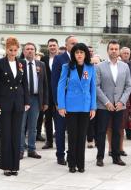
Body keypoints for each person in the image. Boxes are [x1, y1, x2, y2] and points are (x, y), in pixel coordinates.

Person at [0, 37, 30, 176]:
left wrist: (26, 101)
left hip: (18, 103)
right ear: (6, 49)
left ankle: (15, 166)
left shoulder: (21, 63)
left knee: (16, 135)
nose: (13, 52)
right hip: (4, 103)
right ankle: (6, 166)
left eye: (15, 50)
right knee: (6, 135)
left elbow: (25, 84)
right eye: (10, 50)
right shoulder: (0, 63)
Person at [57, 43, 96, 173]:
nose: (79, 55)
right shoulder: (67, 67)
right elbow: (61, 86)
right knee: (73, 136)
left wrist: (93, 107)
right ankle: (72, 164)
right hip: (71, 106)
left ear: (86, 54)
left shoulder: (90, 68)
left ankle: (81, 164)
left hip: (85, 106)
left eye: (82, 52)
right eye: (77, 52)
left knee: (82, 136)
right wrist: (61, 105)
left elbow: (93, 88)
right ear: (73, 54)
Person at [95, 40, 131, 167]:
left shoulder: (124, 67)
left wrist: (122, 101)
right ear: (107, 50)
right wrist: (106, 102)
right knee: (101, 132)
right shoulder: (99, 66)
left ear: (119, 51)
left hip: (119, 106)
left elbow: (128, 86)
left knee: (117, 131)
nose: (114, 51)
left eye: (116, 49)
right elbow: (96, 87)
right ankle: (99, 157)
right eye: (112, 49)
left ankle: (116, 157)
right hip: (104, 106)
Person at [51, 35, 78, 165]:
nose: (74, 46)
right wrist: (57, 102)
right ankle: (60, 155)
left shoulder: (80, 58)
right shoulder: (59, 58)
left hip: (76, 102)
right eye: (72, 43)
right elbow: (54, 82)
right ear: (66, 45)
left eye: (76, 43)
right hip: (62, 102)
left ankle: (71, 154)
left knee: (73, 130)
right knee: (60, 129)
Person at [20, 43, 48, 159]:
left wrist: (45, 102)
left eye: (32, 49)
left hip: (36, 99)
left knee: (33, 126)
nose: (30, 51)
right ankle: (20, 149)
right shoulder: (19, 63)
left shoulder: (41, 64)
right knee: (21, 126)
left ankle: (32, 149)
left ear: (35, 52)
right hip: (22, 99)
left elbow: (45, 84)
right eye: (27, 49)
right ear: (24, 51)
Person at [37, 38, 59, 149]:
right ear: (48, 47)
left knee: (59, 119)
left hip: (59, 94)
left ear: (57, 46)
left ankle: (59, 141)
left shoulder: (62, 59)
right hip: (47, 94)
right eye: (50, 45)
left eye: (54, 45)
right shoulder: (43, 59)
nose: (52, 47)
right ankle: (49, 141)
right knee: (48, 118)